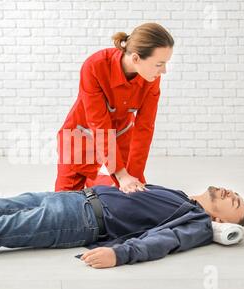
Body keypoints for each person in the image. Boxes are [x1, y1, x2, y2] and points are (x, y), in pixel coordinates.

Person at [0, 177, 244, 269]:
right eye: (235, 193)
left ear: (221, 220)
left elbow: (162, 242)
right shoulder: (182, 197)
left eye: (237, 204)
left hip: (81, 220)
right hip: (74, 198)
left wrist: (119, 254)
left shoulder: (197, 222)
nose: (233, 194)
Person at [55, 22, 174, 193]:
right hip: (81, 136)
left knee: (130, 195)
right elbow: (98, 124)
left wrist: (133, 176)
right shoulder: (95, 66)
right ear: (135, 58)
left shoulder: (151, 78)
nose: (164, 71)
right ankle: (94, 177)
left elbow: (145, 127)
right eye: (159, 64)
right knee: (62, 203)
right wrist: (120, 174)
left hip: (121, 136)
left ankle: (98, 181)